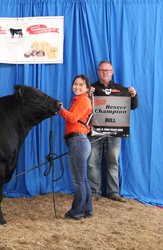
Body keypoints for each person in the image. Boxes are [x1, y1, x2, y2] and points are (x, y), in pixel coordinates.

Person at [88, 60, 139, 203]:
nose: (105, 73)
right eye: (102, 70)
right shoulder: (90, 88)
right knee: (93, 162)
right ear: (98, 72)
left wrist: (134, 96)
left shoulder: (121, 89)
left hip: (115, 132)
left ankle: (113, 193)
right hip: (95, 131)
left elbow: (132, 107)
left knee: (113, 162)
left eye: (107, 70)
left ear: (112, 72)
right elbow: (83, 108)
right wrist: (87, 95)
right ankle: (94, 192)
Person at [60, 74, 93, 220]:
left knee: (78, 180)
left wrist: (59, 108)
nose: (77, 87)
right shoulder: (81, 100)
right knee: (83, 179)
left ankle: (77, 212)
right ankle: (87, 210)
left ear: (86, 88)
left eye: (81, 85)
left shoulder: (83, 100)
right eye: (75, 84)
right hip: (79, 141)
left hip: (78, 142)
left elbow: (72, 118)